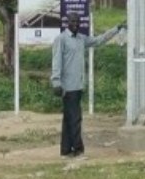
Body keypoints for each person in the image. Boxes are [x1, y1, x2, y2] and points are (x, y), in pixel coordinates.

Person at [50, 12, 124, 158]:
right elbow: (56, 61)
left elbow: (98, 40)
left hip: (78, 85)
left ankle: (66, 150)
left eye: (78, 22)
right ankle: (78, 150)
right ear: (67, 23)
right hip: (67, 87)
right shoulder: (61, 39)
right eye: (73, 22)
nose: (76, 24)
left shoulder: (81, 39)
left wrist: (116, 28)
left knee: (69, 119)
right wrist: (56, 82)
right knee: (76, 119)